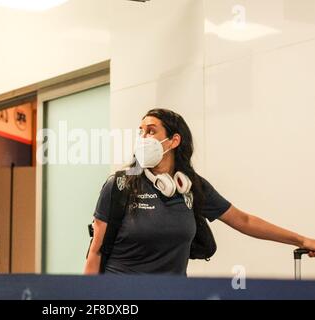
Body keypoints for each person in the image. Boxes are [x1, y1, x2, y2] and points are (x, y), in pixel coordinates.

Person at [84, 108, 315, 275]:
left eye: (151, 131)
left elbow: (243, 220)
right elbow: (95, 252)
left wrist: (302, 239)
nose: (143, 138)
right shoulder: (120, 185)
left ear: (173, 141)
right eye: (140, 132)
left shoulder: (192, 187)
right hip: (122, 299)